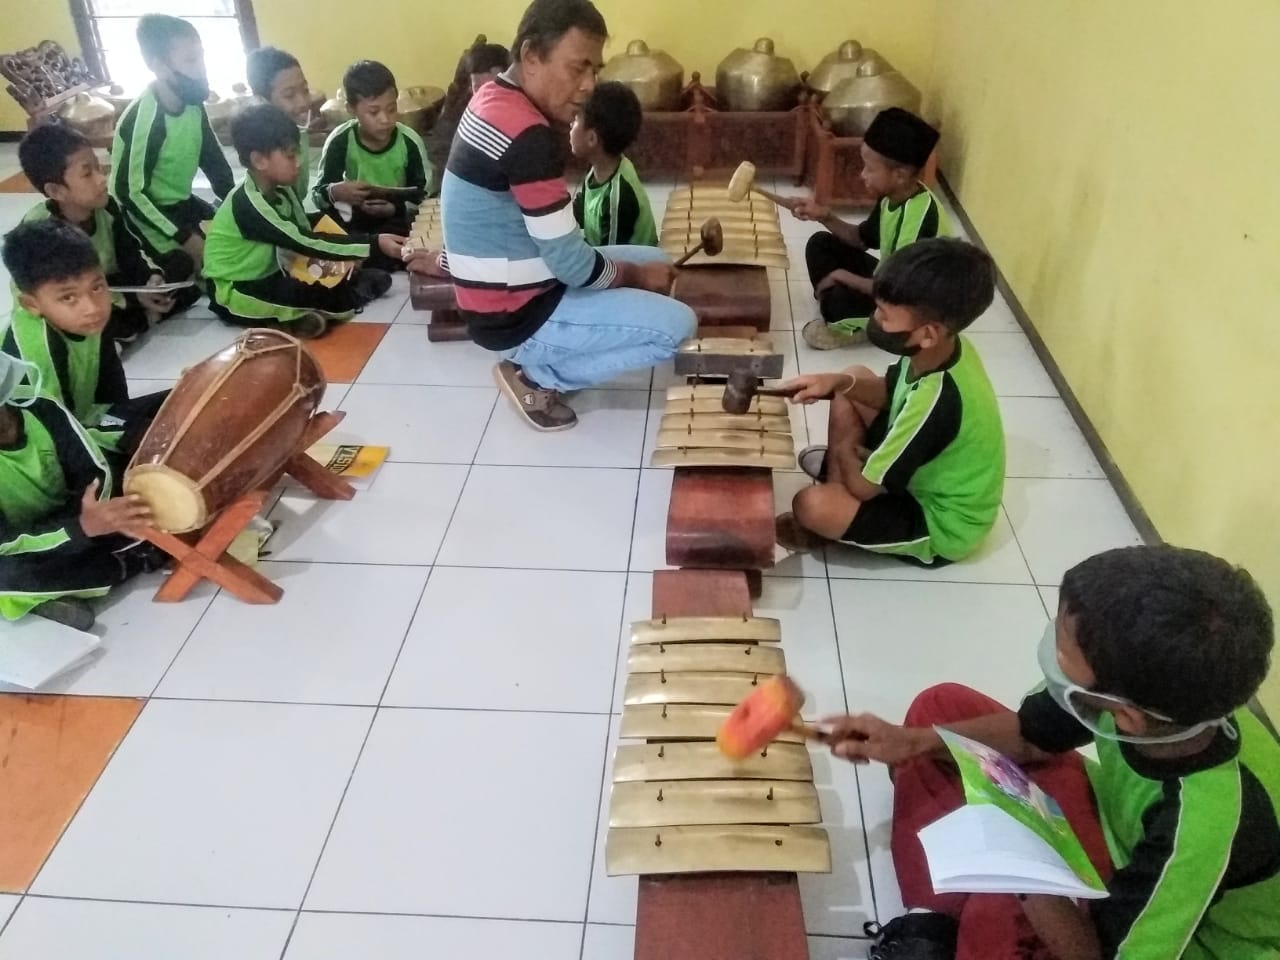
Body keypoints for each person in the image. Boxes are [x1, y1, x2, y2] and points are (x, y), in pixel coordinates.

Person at [822, 545, 1280, 960]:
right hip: (1113, 826)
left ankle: (973, 920)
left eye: (1065, 649)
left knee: (998, 917)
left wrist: (1026, 869)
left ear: (1128, 718)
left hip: (1178, 926)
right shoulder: (1165, 703)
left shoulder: (1207, 824)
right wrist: (914, 742)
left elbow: (1098, 955)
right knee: (937, 712)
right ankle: (932, 924)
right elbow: (1030, 735)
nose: (1054, 652)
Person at [440, 0, 696, 431]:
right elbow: (573, 266)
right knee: (677, 326)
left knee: (662, 262)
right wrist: (634, 276)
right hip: (512, 314)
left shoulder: (494, 94)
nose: (588, 85)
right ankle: (537, 378)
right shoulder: (529, 137)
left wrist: (638, 271)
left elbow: (565, 253)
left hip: (515, 278)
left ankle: (550, 355)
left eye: (595, 69)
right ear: (531, 57)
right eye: (578, 68)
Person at [775, 238, 1003, 568]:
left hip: (940, 522)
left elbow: (865, 487)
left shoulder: (934, 402)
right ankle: (841, 488)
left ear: (928, 333)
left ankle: (835, 505)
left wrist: (845, 453)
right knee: (851, 378)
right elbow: (891, 391)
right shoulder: (944, 348)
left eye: (884, 315)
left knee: (810, 506)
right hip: (919, 466)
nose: (875, 319)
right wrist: (835, 382)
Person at [203, 104, 400, 340]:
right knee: (302, 294)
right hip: (236, 288)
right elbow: (304, 241)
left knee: (315, 279)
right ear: (259, 160)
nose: (298, 162)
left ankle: (326, 302)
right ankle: (296, 318)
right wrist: (373, 244)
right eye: (290, 155)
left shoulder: (282, 192)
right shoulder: (248, 204)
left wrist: (344, 263)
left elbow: (305, 233)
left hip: (274, 273)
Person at [0, 353, 164, 633]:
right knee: (7, 575)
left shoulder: (39, 406)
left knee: (135, 476)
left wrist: (94, 514)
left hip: (76, 511)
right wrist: (80, 529)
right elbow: (6, 541)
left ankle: (43, 595)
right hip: (25, 539)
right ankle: (128, 560)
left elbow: (94, 469)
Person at [1, 220, 168, 464]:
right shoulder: (38, 350)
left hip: (88, 418)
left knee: (185, 396)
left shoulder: (84, 319)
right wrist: (130, 433)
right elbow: (61, 435)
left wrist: (124, 419)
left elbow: (113, 390)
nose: (92, 308)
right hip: (52, 455)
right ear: (31, 304)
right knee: (154, 444)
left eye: (97, 287)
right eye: (68, 297)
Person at [17, 123, 197, 342]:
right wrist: (132, 298)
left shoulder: (107, 207)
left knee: (179, 263)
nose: (102, 179)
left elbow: (131, 252)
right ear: (56, 191)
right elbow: (62, 294)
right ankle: (138, 323)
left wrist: (150, 281)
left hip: (113, 283)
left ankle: (143, 319)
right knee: (95, 323)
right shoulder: (43, 231)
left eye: (98, 168)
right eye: (87, 174)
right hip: (77, 300)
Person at [796, 107, 946, 350]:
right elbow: (861, 239)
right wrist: (824, 215)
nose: (862, 175)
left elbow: (896, 289)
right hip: (890, 279)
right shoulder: (892, 197)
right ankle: (840, 309)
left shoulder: (921, 217)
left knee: (839, 299)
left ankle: (863, 326)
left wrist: (840, 276)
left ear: (900, 175)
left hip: (912, 302)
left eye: (870, 168)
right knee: (820, 243)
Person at [110, 14, 234, 281]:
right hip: (145, 216)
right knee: (185, 268)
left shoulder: (192, 103)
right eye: (191, 60)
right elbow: (129, 193)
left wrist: (237, 204)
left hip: (182, 203)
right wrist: (184, 237)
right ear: (159, 65)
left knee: (233, 243)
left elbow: (213, 160)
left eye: (201, 57)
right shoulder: (145, 119)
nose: (201, 68)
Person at [313, 59, 430, 270]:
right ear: (351, 109)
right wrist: (337, 192)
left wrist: (396, 208)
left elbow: (425, 196)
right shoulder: (340, 141)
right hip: (355, 216)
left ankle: (363, 257)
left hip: (395, 218)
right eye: (373, 112)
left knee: (418, 233)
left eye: (392, 109)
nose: (385, 119)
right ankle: (372, 254)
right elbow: (318, 195)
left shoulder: (409, 141)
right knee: (326, 224)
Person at [569, 80, 658, 247]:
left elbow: (613, 261)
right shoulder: (598, 168)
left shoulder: (618, 197)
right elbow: (583, 211)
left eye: (576, 120)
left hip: (634, 268)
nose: (571, 125)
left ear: (592, 139)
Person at [427, 36, 511, 196]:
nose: (487, 95)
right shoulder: (460, 112)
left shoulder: (519, 108)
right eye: (478, 87)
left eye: (494, 87)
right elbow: (442, 155)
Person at [246, 46, 315, 200]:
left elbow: (298, 196)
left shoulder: (296, 130)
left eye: (305, 90)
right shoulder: (265, 149)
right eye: (289, 95)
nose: (303, 102)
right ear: (262, 100)